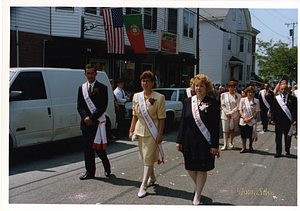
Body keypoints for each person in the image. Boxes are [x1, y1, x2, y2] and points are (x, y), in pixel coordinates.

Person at [176, 74, 220, 205]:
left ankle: (198, 194)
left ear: (207, 87)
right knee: (190, 167)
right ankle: (199, 186)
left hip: (204, 142)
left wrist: (215, 145)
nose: (199, 88)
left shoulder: (213, 103)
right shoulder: (187, 102)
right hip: (189, 140)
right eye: (196, 85)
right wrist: (179, 140)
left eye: (201, 85)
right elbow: (183, 122)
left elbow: (215, 126)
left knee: (202, 168)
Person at [129, 70, 166, 198]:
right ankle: (152, 177)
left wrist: (160, 134)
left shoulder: (159, 97)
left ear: (152, 83)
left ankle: (143, 185)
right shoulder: (136, 96)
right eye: (143, 81)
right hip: (140, 130)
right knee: (145, 157)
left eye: (147, 81)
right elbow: (134, 115)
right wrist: (131, 129)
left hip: (153, 131)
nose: (145, 83)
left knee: (149, 157)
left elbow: (162, 117)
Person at [77, 64, 111, 180]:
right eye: (88, 73)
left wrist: (92, 118)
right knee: (88, 149)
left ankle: (107, 167)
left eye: (92, 73)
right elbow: (80, 106)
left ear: (96, 74)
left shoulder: (102, 87)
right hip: (86, 124)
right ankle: (90, 172)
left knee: (99, 149)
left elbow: (103, 106)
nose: (90, 75)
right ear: (85, 74)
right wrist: (86, 118)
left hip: (97, 123)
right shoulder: (81, 88)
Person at [271, 84, 297, 158]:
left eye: (285, 89)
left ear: (288, 90)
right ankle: (278, 152)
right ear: (280, 90)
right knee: (278, 137)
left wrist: (295, 119)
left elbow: (295, 110)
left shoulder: (293, 98)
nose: (283, 91)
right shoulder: (276, 98)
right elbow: (273, 110)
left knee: (288, 136)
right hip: (278, 120)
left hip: (288, 120)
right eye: (282, 89)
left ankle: (287, 150)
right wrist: (272, 119)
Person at [239, 86, 260, 153]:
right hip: (244, 119)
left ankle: (250, 146)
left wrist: (250, 118)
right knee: (243, 135)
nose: (250, 93)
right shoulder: (243, 100)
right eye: (248, 92)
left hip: (251, 119)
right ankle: (243, 147)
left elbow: (257, 111)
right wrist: (244, 117)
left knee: (250, 134)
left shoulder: (256, 100)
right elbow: (240, 109)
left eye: (251, 92)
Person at [220, 81, 241, 150]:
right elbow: (222, 105)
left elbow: (238, 106)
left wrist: (231, 113)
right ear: (228, 88)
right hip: (225, 115)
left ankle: (231, 142)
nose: (232, 89)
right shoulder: (223, 95)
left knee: (233, 129)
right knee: (225, 130)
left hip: (234, 115)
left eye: (233, 88)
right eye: (231, 88)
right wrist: (227, 113)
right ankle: (225, 144)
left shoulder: (238, 96)